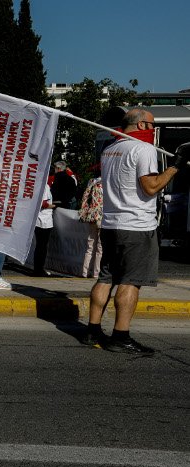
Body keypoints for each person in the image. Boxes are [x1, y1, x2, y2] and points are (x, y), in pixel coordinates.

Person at [84, 109, 188, 353]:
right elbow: (151, 187)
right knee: (131, 281)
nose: (153, 129)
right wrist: (176, 167)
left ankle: (92, 329)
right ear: (141, 124)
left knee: (106, 277)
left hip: (111, 223)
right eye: (152, 125)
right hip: (137, 225)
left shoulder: (110, 149)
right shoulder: (143, 149)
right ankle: (121, 335)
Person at [78, 171, 104, 278]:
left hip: (91, 216)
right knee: (100, 248)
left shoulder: (91, 182)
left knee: (90, 245)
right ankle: (96, 273)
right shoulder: (107, 183)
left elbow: (85, 198)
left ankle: (85, 271)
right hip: (102, 216)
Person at [32, 182, 54, 276]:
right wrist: (54, 205)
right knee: (42, 246)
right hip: (44, 220)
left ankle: (38, 268)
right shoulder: (44, 186)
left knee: (39, 246)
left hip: (39, 219)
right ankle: (39, 269)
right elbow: (43, 204)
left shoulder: (37, 184)